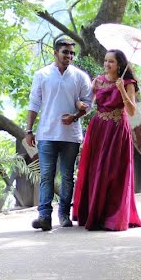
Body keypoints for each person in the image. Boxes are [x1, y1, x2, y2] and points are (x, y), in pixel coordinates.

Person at [25, 37, 93, 231]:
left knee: (67, 176)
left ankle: (64, 213)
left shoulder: (80, 77)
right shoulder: (42, 74)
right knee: (46, 175)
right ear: (55, 53)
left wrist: (75, 115)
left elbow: (88, 104)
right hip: (46, 133)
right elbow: (34, 103)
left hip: (70, 135)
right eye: (65, 52)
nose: (69, 56)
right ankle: (44, 215)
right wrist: (29, 130)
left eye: (72, 53)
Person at [72, 49, 141, 231]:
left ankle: (113, 218)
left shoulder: (128, 83)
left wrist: (122, 90)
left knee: (114, 172)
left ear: (119, 64)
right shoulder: (98, 81)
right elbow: (88, 105)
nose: (106, 64)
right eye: (105, 61)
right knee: (97, 170)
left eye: (110, 61)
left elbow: (132, 111)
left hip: (118, 129)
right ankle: (95, 214)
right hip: (99, 128)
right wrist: (80, 105)